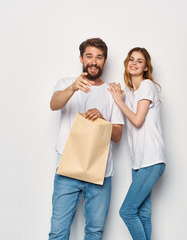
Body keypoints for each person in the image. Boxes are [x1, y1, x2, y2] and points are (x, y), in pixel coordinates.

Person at [49, 38, 124, 240]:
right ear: (81, 58)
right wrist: (73, 88)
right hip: (67, 169)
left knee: (94, 232)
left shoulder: (112, 92)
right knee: (58, 232)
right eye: (89, 56)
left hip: (100, 173)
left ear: (105, 61)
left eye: (99, 57)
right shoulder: (66, 83)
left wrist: (102, 119)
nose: (93, 61)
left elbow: (117, 135)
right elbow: (54, 104)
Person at [108, 47, 166, 240]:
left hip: (152, 159)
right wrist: (120, 98)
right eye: (131, 59)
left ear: (146, 68)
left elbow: (138, 120)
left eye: (139, 61)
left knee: (127, 211)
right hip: (138, 163)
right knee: (141, 214)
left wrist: (118, 101)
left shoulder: (147, 85)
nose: (133, 63)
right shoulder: (130, 93)